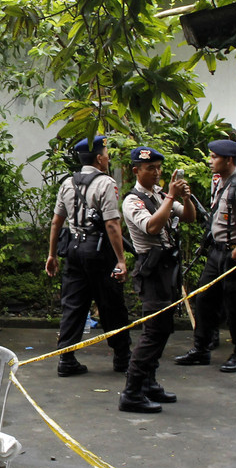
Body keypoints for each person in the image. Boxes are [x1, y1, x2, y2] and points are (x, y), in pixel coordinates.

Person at [175, 140, 236, 373]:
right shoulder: (219, 182)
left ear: (228, 160)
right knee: (204, 300)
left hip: (234, 254)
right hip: (216, 252)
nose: (210, 161)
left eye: (214, 157)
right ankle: (201, 349)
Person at [44, 135, 132, 377]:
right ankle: (122, 357)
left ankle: (66, 359)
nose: (108, 158)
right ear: (99, 159)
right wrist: (121, 260)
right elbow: (112, 224)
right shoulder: (106, 183)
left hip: (73, 249)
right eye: (106, 154)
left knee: (73, 304)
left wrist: (52, 254)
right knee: (111, 303)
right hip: (99, 250)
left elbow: (56, 222)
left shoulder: (67, 183)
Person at [119, 146, 195, 413]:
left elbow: (189, 217)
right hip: (151, 270)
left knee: (163, 329)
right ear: (136, 171)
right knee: (152, 332)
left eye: (159, 168)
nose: (156, 173)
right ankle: (131, 392)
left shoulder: (160, 195)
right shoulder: (133, 201)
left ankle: (149, 383)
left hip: (167, 269)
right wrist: (171, 196)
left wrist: (185, 198)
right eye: (150, 168)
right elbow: (152, 227)